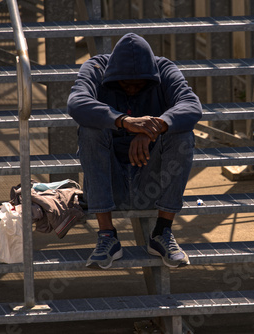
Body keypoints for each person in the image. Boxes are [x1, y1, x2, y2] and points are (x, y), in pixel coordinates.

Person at [67, 33, 202, 269]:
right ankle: (107, 235)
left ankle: (162, 231)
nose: (131, 89)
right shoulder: (96, 67)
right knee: (89, 130)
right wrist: (124, 121)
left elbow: (192, 105)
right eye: (125, 84)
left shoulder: (164, 69)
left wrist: (155, 127)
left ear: (151, 77)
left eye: (138, 85)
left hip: (150, 182)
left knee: (182, 133)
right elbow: (76, 102)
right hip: (110, 184)